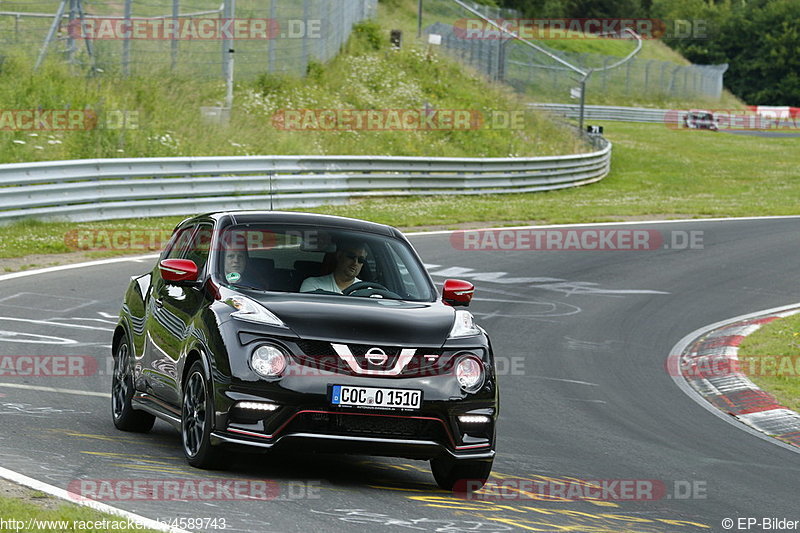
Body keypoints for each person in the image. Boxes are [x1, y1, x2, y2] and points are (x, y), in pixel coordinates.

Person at [300, 241, 368, 294]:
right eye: (351, 256)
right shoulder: (313, 285)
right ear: (339, 256)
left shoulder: (367, 291)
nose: (355, 263)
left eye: (361, 260)